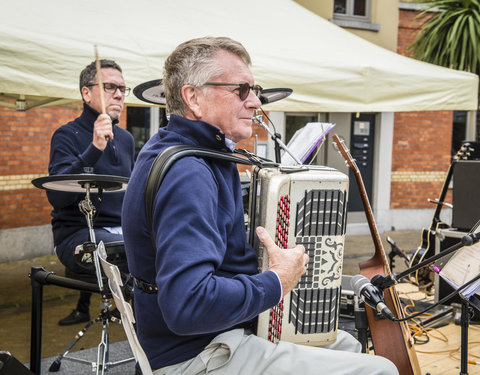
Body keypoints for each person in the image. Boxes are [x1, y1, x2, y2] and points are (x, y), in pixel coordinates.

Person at [122, 37, 398, 374]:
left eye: (255, 89)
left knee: (349, 344)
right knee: (381, 369)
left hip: (207, 336)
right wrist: (277, 280)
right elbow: (188, 305)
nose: (255, 102)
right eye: (241, 89)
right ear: (193, 97)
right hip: (191, 354)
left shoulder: (181, 150)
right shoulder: (188, 172)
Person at [47, 59, 135, 325]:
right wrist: (94, 147)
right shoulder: (66, 135)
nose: (119, 94)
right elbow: (57, 197)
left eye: (122, 88)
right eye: (110, 87)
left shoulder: (126, 139)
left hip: (119, 230)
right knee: (130, 249)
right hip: (77, 234)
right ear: (86, 93)